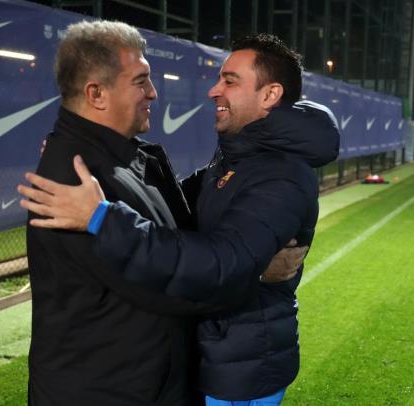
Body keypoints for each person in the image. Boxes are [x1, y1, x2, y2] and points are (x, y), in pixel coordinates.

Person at [20, 33, 339, 405]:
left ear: (270, 95)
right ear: (96, 94)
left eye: (229, 81)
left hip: (238, 370)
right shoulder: (78, 177)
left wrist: (243, 267)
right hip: (108, 387)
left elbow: (209, 265)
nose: (213, 91)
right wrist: (252, 272)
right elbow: (176, 257)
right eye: (141, 81)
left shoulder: (277, 171)